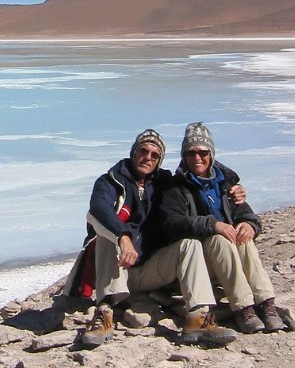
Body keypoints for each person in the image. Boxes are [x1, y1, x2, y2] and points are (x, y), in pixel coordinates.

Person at [65, 129, 237, 348]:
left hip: (148, 270)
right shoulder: (110, 181)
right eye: (143, 151)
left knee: (189, 244)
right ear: (133, 152)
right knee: (105, 234)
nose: (148, 157)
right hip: (117, 269)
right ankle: (104, 314)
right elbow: (98, 209)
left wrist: (231, 185)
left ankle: (198, 316)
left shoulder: (164, 183)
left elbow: (196, 176)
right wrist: (123, 236)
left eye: (155, 155)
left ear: (159, 160)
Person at [157, 122, 284, 333]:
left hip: (227, 261)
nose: (197, 158)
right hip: (196, 264)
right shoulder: (175, 187)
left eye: (202, 152)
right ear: (183, 156)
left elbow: (246, 213)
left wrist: (249, 225)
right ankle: (243, 307)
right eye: (191, 153)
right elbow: (172, 223)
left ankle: (265, 302)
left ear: (211, 153)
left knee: (243, 237)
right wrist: (212, 224)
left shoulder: (224, 184)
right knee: (219, 239)